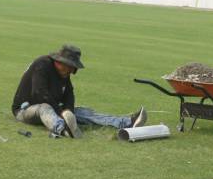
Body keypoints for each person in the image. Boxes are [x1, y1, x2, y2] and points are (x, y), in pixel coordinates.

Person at [11, 45, 147, 138]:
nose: (72, 72)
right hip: (25, 110)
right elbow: (39, 93)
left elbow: (69, 94)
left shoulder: (64, 72)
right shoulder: (42, 65)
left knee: (83, 112)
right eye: (71, 68)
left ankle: (126, 122)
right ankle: (64, 129)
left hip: (52, 109)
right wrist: (61, 113)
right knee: (45, 107)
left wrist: (68, 111)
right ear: (59, 62)